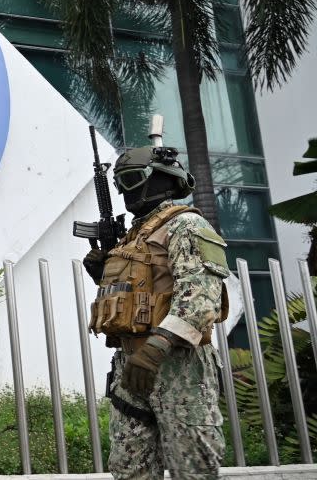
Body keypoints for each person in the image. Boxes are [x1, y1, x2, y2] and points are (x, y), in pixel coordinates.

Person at [81, 145, 229, 480]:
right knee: (130, 468)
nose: (126, 192)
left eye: (132, 179)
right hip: (130, 365)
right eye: (121, 183)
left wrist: (156, 348)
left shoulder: (186, 224)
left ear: (163, 178)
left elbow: (200, 300)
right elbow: (137, 299)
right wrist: (101, 275)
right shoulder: (134, 235)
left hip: (177, 365)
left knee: (192, 467)